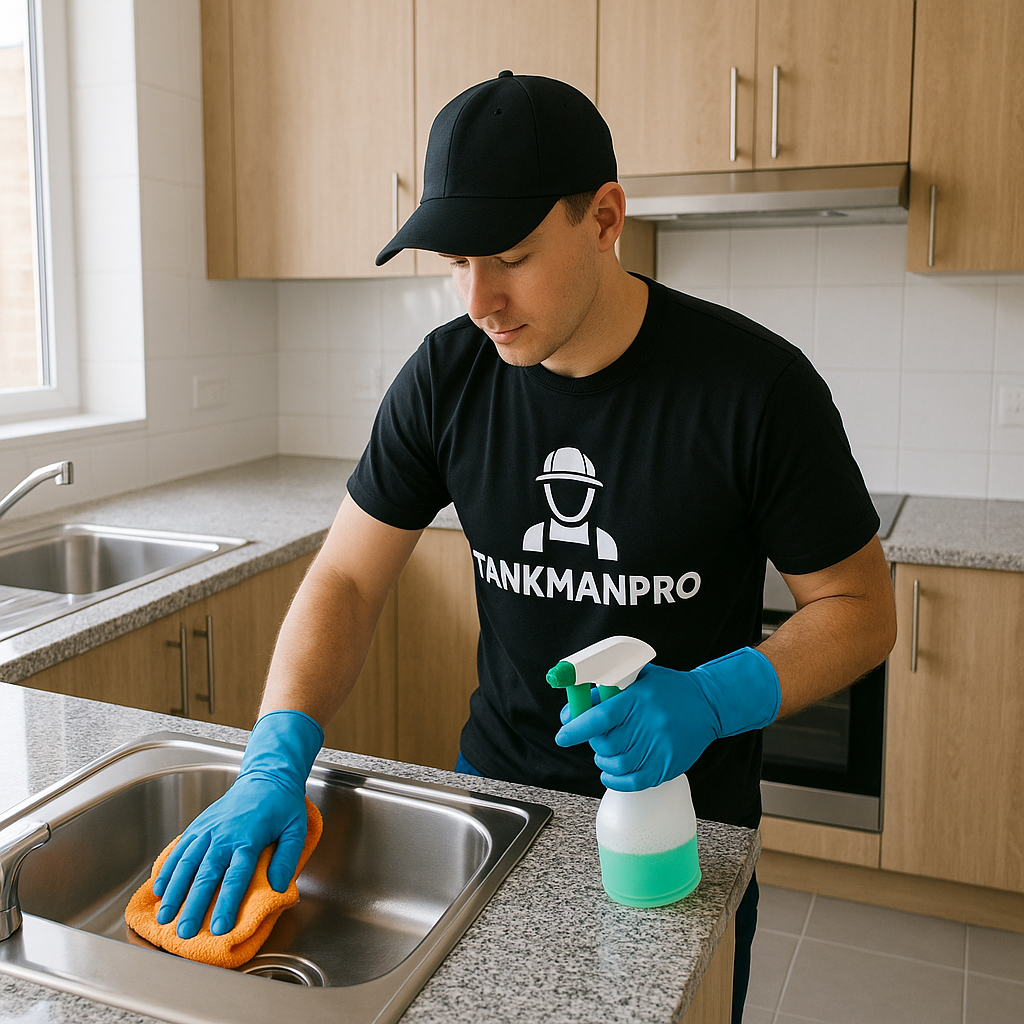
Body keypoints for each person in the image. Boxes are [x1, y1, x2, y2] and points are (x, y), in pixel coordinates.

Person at [152, 72, 896, 1022]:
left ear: (605, 217)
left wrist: (714, 697)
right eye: (456, 260)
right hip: (496, 813)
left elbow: (861, 610)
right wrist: (275, 752)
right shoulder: (448, 378)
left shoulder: (755, 388)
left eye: (509, 254)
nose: (479, 299)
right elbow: (345, 571)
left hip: (685, 833)